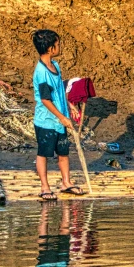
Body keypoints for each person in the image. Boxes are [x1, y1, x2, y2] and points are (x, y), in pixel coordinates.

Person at [32, 29, 84, 200]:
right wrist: (61, 117)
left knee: (63, 152)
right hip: (46, 121)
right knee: (44, 153)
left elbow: (59, 89)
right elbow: (46, 99)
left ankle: (66, 183)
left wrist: (69, 106)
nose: (60, 46)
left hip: (60, 119)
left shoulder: (56, 66)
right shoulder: (41, 72)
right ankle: (45, 186)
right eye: (58, 44)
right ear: (50, 48)